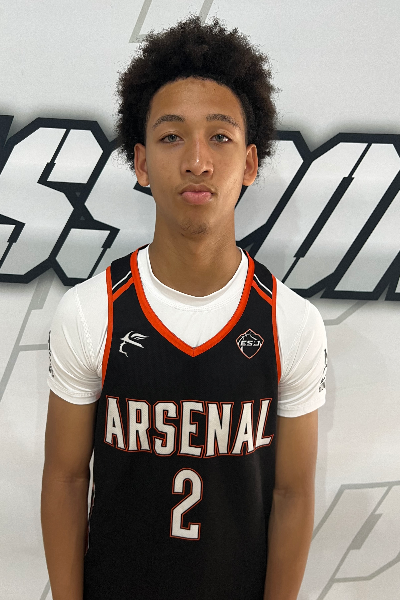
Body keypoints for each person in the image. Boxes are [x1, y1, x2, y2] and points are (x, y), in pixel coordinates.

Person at [41, 15, 327, 600]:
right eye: (172, 137)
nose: (198, 161)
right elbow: (66, 480)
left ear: (250, 163)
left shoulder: (290, 322)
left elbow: (293, 495)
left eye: (220, 137)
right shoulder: (90, 313)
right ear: (142, 163)